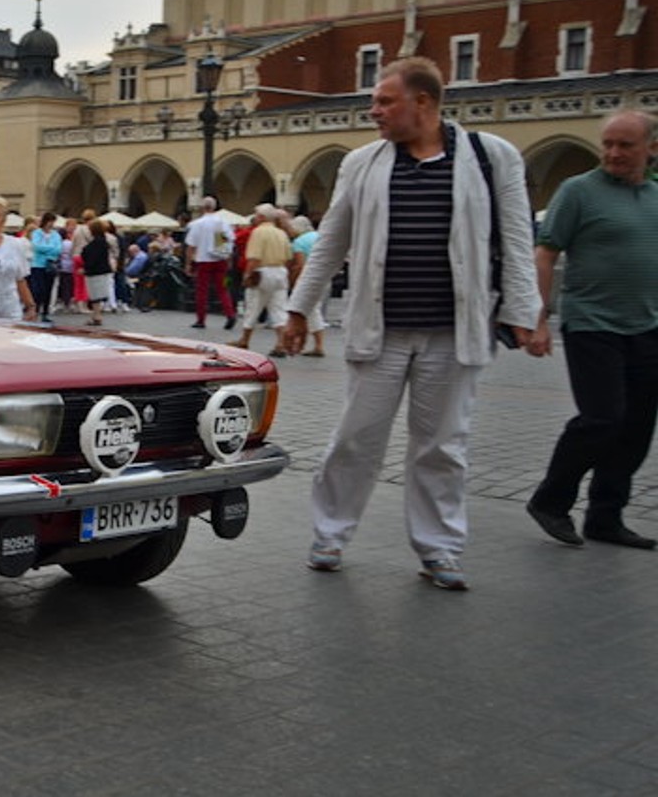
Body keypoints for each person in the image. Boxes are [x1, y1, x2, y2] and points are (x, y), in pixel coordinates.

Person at [282, 56, 543, 591]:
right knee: (355, 439)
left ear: (422, 102)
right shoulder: (362, 163)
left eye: (384, 101)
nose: (373, 110)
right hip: (381, 329)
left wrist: (524, 312)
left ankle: (440, 548)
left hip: (454, 332)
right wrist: (297, 310)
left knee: (443, 445)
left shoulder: (492, 157)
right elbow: (332, 241)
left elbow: (516, 238)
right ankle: (329, 533)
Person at [524, 109, 658, 550]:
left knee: (637, 427)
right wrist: (539, 318)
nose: (614, 153)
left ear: (651, 149)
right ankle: (550, 501)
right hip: (592, 324)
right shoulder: (578, 191)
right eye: (608, 144)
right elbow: (544, 255)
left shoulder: (656, 196)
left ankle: (605, 517)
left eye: (626, 145)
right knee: (603, 418)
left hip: (647, 327)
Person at [235, 205, 293, 355]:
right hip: (280, 271)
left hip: (262, 272)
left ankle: (244, 340)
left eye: (256, 215)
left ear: (261, 217)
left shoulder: (258, 232)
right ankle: (281, 343)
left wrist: (247, 274)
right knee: (279, 309)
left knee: (253, 306)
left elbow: (254, 257)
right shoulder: (281, 233)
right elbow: (288, 258)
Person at [183, 197, 236, 329]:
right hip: (220, 261)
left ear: (202, 207)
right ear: (214, 207)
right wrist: (228, 260)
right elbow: (227, 243)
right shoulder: (222, 222)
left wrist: (188, 263)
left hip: (203, 261)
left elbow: (191, 246)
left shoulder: (197, 224)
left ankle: (201, 319)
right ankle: (230, 314)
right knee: (223, 289)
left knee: (202, 291)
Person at [287, 214, 327, 357]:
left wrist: (293, 281)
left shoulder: (299, 241)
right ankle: (318, 344)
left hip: (310, 279)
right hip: (325, 277)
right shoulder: (319, 236)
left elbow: (299, 265)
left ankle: (318, 345)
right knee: (316, 310)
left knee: (311, 311)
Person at [79, 217, 114, 326]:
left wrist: (85, 268)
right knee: (97, 295)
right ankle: (96, 315)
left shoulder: (96, 243)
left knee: (95, 295)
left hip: (94, 271)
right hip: (102, 270)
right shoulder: (103, 241)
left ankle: (97, 316)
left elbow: (91, 257)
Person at [28, 211, 62, 323]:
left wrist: (47, 250)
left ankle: (46, 312)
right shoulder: (37, 233)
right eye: (50, 221)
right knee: (38, 290)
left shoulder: (56, 235)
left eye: (53, 222)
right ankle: (36, 309)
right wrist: (50, 249)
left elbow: (58, 249)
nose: (51, 224)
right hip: (37, 265)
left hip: (50, 265)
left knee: (48, 289)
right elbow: (36, 247)